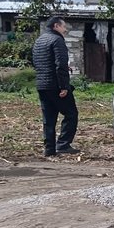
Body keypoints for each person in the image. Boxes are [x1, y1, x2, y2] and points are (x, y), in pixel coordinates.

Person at [32, 16, 79, 156]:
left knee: (49, 118)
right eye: (64, 27)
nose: (65, 30)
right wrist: (64, 86)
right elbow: (60, 64)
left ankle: (49, 149)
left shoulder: (39, 40)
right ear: (56, 26)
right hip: (55, 85)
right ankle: (63, 144)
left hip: (42, 84)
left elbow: (39, 62)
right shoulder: (57, 40)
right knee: (71, 114)